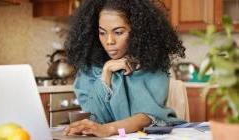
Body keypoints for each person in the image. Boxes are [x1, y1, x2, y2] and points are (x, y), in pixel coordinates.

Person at [64, 0, 186, 137]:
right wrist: (106, 73)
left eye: (118, 32)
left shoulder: (152, 64)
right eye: (102, 33)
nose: (109, 41)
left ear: (137, 31)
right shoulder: (89, 67)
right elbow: (95, 118)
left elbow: (146, 118)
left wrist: (109, 129)